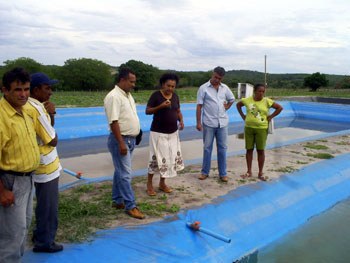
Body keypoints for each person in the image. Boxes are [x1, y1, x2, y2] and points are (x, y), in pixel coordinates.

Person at [0, 67, 40, 262]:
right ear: (5, 90)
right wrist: (2, 191)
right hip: (10, 182)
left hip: (27, 179)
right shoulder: (2, 117)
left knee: (23, 228)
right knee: (11, 236)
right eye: (17, 90)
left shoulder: (24, 111)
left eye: (26, 89)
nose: (23, 94)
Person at [23, 72, 63, 253]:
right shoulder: (37, 109)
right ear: (36, 89)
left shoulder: (28, 106)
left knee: (40, 204)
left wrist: (49, 114)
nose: (50, 92)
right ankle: (45, 242)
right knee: (48, 207)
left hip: (37, 164)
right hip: (46, 166)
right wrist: (50, 113)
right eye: (47, 88)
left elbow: (47, 129)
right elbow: (52, 138)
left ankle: (39, 234)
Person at [104, 67, 145, 219]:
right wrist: (121, 143)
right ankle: (130, 206)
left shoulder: (127, 95)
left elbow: (129, 116)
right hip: (120, 140)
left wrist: (137, 132)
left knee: (120, 171)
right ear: (122, 80)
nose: (133, 84)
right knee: (126, 174)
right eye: (131, 81)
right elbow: (113, 121)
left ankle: (117, 200)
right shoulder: (114, 97)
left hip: (130, 139)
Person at [145, 72, 185, 196]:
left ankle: (162, 183)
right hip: (158, 133)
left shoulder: (175, 96)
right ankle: (149, 185)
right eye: (168, 85)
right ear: (163, 84)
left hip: (172, 133)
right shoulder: (156, 96)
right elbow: (148, 111)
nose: (170, 88)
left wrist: (181, 120)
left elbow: (178, 110)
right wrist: (161, 106)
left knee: (168, 158)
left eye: (173, 86)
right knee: (154, 158)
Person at [236, 83, 283, 181]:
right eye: (259, 91)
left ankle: (260, 172)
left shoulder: (267, 101)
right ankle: (249, 171)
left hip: (262, 129)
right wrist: (243, 116)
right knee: (249, 150)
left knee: (260, 150)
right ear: (254, 91)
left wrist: (270, 117)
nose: (261, 93)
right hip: (249, 128)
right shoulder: (247, 100)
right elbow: (238, 105)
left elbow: (279, 108)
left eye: (263, 91)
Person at [196, 66, 235, 182]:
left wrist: (227, 106)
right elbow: (199, 106)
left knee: (222, 148)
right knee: (207, 148)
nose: (217, 80)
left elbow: (232, 99)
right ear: (212, 74)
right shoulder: (203, 88)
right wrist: (198, 123)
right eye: (215, 77)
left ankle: (223, 174)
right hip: (208, 123)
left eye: (220, 78)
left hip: (222, 123)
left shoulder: (225, 88)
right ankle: (204, 172)